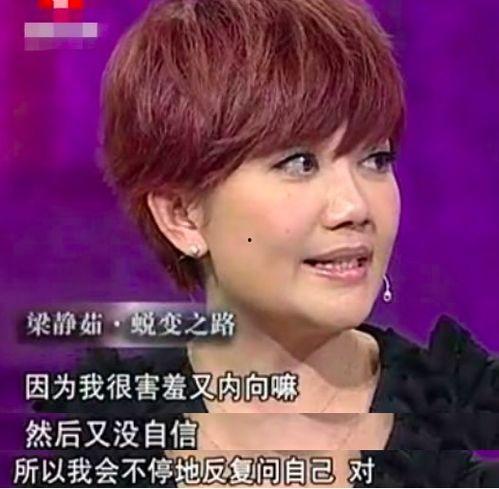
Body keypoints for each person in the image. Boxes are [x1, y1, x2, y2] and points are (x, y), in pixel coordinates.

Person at [36, 0, 499, 486]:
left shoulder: (463, 417)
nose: (355, 206)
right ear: (181, 216)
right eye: (300, 163)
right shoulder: (105, 445)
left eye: (376, 160)